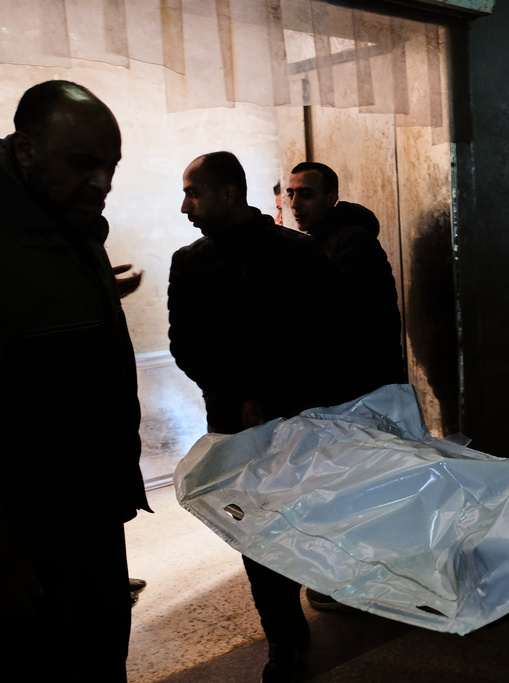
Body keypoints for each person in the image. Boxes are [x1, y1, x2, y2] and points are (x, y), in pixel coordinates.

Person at [0, 80, 150, 682]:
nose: (102, 182)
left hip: (83, 513)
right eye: (83, 163)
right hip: (21, 544)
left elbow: (28, 319)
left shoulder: (58, 217)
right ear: (26, 148)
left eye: (110, 166)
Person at [168, 151, 342, 682]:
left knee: (303, 519)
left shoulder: (297, 254)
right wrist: (237, 395)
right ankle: (283, 635)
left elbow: (329, 334)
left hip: (299, 420)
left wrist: (301, 400)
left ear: (227, 193)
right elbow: (186, 345)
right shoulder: (190, 263)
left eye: (193, 193)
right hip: (233, 428)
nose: (184, 206)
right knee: (252, 534)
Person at [286, 162, 406, 402]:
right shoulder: (318, 243)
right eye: (291, 194)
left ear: (331, 199)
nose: (295, 205)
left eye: (306, 195)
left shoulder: (353, 242)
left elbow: (375, 325)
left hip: (361, 390)